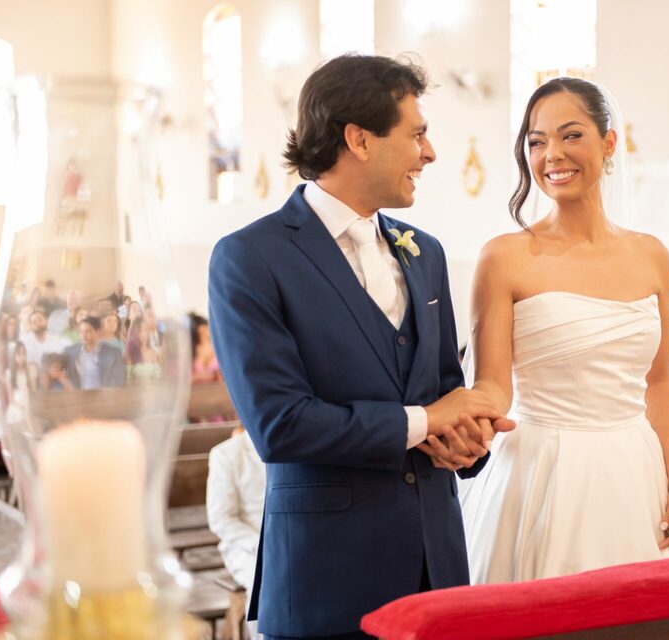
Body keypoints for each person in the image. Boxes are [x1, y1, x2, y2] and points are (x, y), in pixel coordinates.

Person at [208, 54, 513, 639]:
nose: (429, 152)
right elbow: (279, 426)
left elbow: (446, 390)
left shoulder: (426, 252)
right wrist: (427, 420)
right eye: (416, 134)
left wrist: (466, 441)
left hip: (436, 570)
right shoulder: (250, 257)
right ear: (359, 140)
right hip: (326, 578)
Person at [459, 77, 669, 584]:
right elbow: (493, 386)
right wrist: (456, 423)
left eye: (570, 135)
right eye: (536, 141)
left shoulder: (651, 254)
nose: (552, 155)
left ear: (608, 143)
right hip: (542, 468)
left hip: (633, 467)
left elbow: (657, 383)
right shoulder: (503, 257)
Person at [207, 426, 265, 640]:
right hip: (245, 546)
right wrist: (261, 545)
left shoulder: (294, 448)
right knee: (265, 585)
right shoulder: (226, 454)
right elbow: (221, 519)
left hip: (290, 540)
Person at [63, 316, 126, 389]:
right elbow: (62, 374)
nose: (83, 335)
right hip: (78, 394)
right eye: (81, 332)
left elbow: (117, 381)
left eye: (88, 331)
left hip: (105, 394)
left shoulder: (113, 353)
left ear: (98, 331)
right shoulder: (70, 351)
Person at [189, 313, 222, 384]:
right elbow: (182, 379)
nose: (205, 334)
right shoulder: (189, 350)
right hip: (196, 390)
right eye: (201, 332)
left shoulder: (218, 348)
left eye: (206, 330)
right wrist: (211, 375)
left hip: (216, 389)